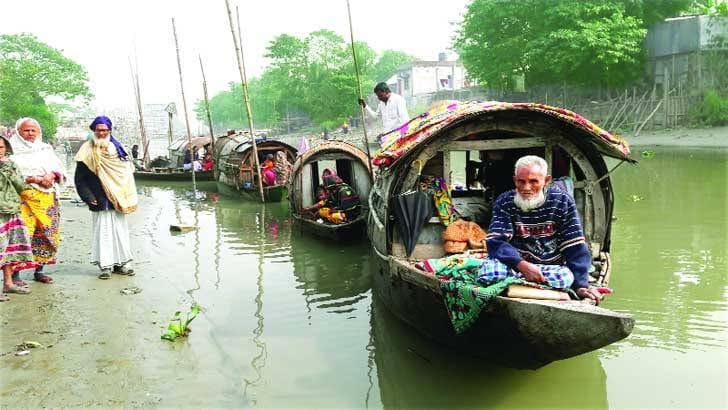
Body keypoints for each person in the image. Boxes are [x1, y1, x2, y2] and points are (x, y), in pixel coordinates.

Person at [480, 155, 604, 304]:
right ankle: (533, 288)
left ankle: (516, 286)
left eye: (533, 181)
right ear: (515, 180)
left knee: (565, 278)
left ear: (546, 180)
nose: (526, 188)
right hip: (514, 264)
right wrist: (522, 265)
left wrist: (581, 285)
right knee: (490, 273)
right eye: (521, 181)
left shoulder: (562, 201)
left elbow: (574, 245)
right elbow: (496, 241)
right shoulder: (505, 201)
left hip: (547, 267)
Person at [74, 116, 138, 280]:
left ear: (109, 130)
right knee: (103, 232)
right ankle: (105, 266)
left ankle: (122, 264)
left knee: (119, 230)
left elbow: (125, 173)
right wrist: (87, 196)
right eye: (98, 130)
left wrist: (126, 193)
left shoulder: (119, 149)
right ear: (94, 130)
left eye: (104, 130)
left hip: (118, 197)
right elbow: (79, 178)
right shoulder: (86, 150)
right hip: (99, 197)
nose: (101, 133)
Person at [9, 117, 66, 285]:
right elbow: (9, 174)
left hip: (48, 199)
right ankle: (15, 274)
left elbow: (59, 168)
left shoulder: (45, 149)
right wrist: (35, 179)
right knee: (21, 234)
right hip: (23, 199)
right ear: (18, 132)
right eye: (26, 130)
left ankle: (39, 270)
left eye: (33, 130)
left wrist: (51, 175)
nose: (30, 134)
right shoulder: (11, 150)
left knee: (47, 235)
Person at [0, 136, 36, 300]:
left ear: (6, 148)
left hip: (11, 210)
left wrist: (10, 172)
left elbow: (20, 185)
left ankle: (8, 283)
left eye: (1, 147)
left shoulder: (11, 164)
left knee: (9, 249)